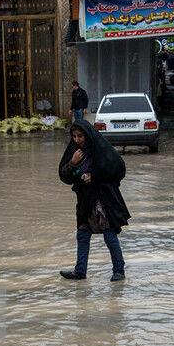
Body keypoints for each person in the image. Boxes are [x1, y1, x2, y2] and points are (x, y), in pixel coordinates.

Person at [58, 119, 131, 282]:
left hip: (103, 200)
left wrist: (95, 177)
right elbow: (65, 174)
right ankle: (80, 271)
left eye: (80, 136)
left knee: (109, 235)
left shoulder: (101, 150)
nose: (77, 140)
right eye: (74, 136)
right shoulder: (75, 152)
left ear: (88, 135)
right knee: (82, 235)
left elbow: (117, 169)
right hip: (85, 201)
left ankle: (119, 270)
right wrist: (73, 162)